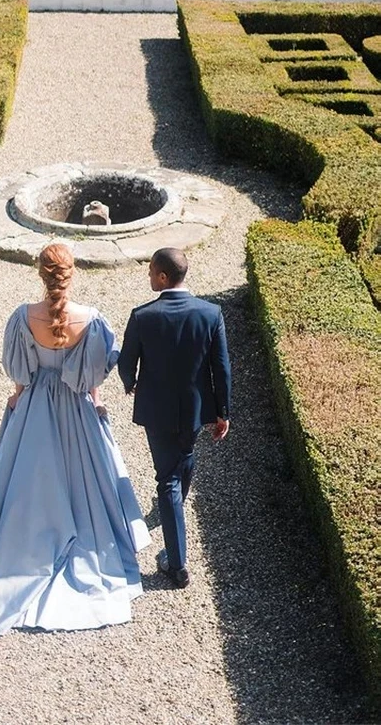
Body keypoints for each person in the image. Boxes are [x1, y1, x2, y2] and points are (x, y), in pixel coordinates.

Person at [0, 242, 150, 636]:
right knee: (87, 483)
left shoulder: (22, 318)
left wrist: (16, 399)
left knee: (26, 483)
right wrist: (95, 404)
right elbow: (93, 379)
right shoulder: (93, 321)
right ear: (71, 273)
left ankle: (26, 542)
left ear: (41, 274)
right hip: (75, 409)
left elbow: (20, 375)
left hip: (34, 410)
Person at [118, 247, 231, 589]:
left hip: (157, 410)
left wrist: (131, 384)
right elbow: (221, 367)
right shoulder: (211, 314)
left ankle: (177, 565)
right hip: (195, 411)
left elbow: (126, 362)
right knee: (185, 459)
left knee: (166, 478)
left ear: (164, 277)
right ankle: (174, 509)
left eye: (151, 271)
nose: (149, 276)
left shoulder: (142, 316)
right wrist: (223, 412)